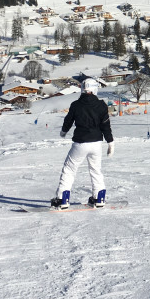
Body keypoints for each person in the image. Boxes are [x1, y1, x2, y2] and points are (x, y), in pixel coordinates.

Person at [51, 78, 114, 209]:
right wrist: (110, 142)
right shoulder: (102, 105)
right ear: (95, 89)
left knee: (69, 169)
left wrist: (63, 132)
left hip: (80, 143)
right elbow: (106, 125)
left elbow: (68, 121)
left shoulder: (76, 105)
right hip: (96, 143)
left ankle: (62, 199)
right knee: (96, 170)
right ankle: (99, 198)